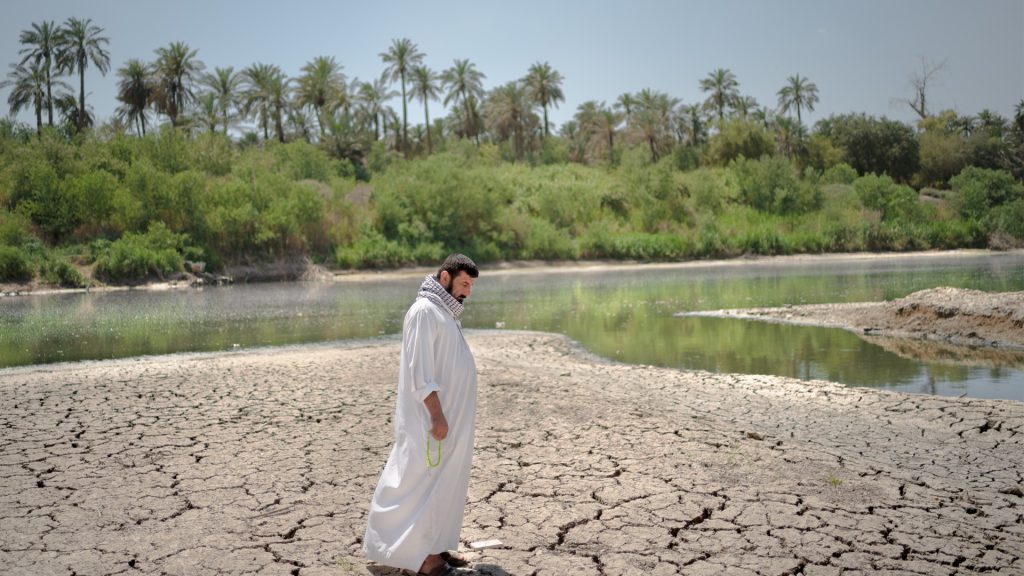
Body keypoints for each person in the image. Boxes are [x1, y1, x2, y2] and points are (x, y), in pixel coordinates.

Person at [363, 254, 480, 576]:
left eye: (471, 285)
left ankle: (435, 547)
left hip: (449, 421)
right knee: (417, 481)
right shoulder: (424, 311)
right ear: (445, 278)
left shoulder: (443, 312)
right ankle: (423, 561)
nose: (468, 292)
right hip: (430, 422)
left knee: (444, 483)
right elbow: (420, 372)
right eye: (464, 284)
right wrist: (437, 416)